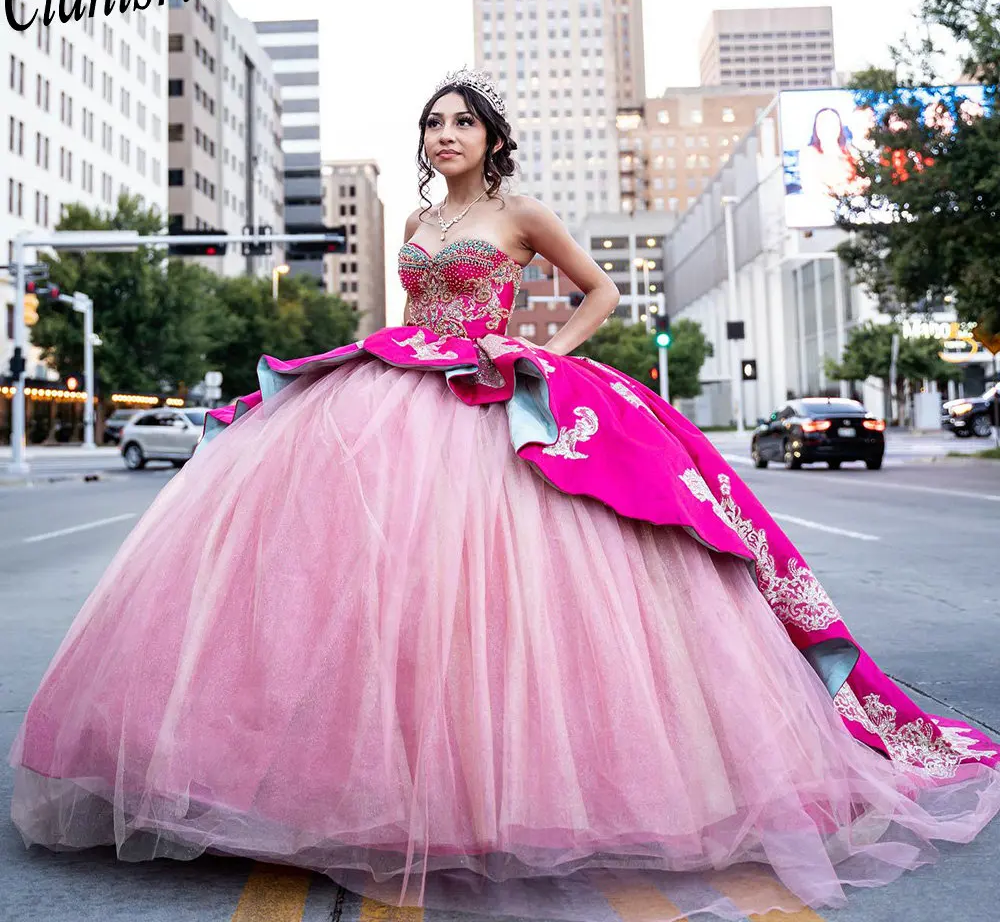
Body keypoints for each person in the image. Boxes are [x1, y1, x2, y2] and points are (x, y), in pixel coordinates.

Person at [9, 68, 1000, 922]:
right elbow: (412, 308)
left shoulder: (517, 216)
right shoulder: (417, 219)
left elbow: (597, 290)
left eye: (460, 123)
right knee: (371, 588)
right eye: (432, 124)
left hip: (497, 390)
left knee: (521, 598)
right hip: (404, 394)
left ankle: (514, 795)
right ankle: (354, 788)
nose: (443, 136)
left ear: (489, 139)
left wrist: (543, 352)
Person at [799, 106, 864, 198]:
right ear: (816, 127)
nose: (827, 127)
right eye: (823, 123)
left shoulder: (852, 152)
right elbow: (811, 187)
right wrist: (843, 190)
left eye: (832, 123)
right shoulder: (808, 154)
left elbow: (862, 183)